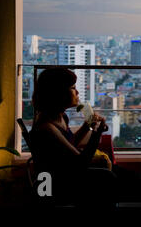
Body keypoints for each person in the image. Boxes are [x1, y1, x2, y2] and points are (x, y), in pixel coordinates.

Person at [30, 67, 117, 206]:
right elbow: (81, 163)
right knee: (111, 177)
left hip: (66, 175)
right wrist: (96, 133)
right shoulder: (47, 128)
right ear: (58, 93)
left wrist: (88, 125)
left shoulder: (60, 117)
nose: (77, 92)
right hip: (60, 184)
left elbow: (70, 144)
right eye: (73, 88)